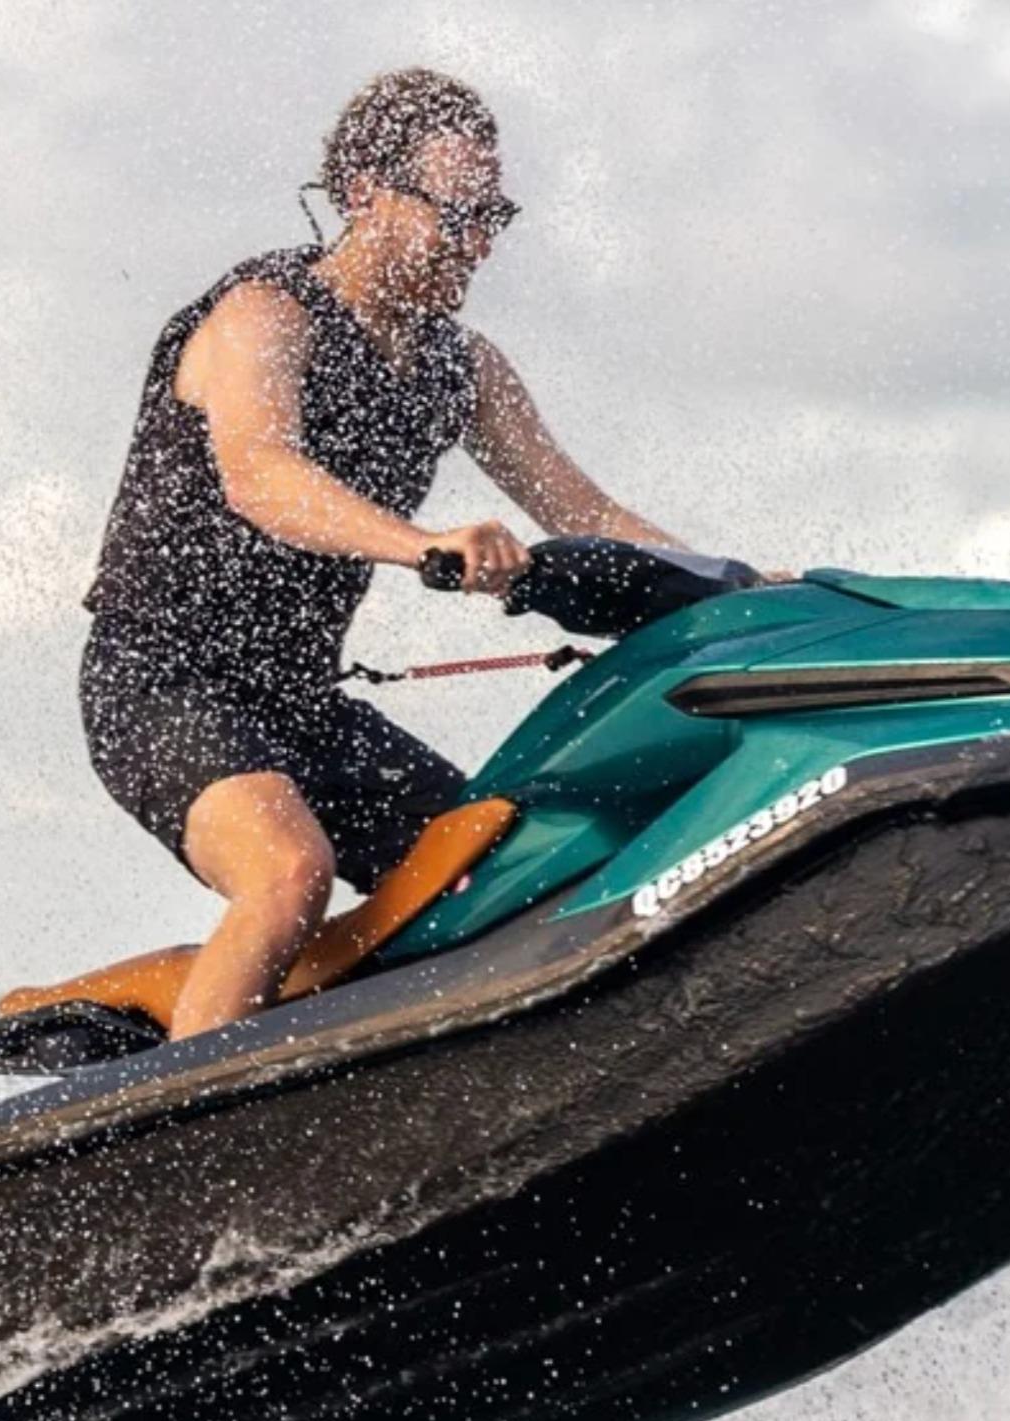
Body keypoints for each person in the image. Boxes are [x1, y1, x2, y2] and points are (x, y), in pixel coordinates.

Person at [76, 69, 684, 1038]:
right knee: (288, 873)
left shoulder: (462, 368)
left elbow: (583, 507)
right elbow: (261, 473)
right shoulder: (265, 315)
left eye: (495, 216)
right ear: (364, 191)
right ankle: (183, 1148)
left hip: (304, 705)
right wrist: (422, 544)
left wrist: (737, 585)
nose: (478, 243)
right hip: (162, 684)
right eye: (458, 213)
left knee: (494, 876)